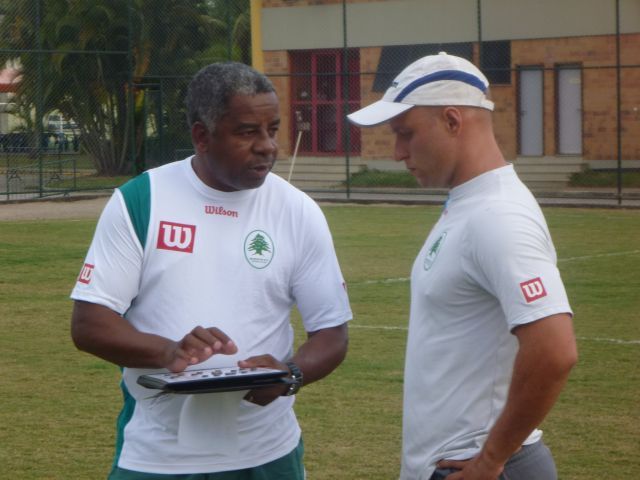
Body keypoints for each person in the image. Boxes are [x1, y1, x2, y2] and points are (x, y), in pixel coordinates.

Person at [71, 61, 352, 480]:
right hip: (158, 457)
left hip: (268, 453)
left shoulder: (297, 210)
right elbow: (90, 324)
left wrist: (289, 374)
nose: (267, 146)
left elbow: (331, 333)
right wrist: (169, 352)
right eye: (246, 132)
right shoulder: (142, 199)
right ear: (201, 136)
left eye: (272, 129)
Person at [348, 52, 577, 480]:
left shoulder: (498, 216)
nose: (397, 152)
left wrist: (490, 460)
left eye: (405, 134)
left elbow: (555, 349)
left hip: (482, 466)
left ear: (453, 121)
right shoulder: (468, 204)